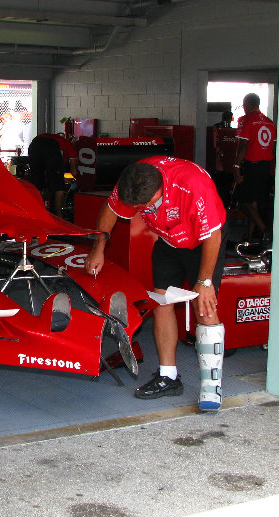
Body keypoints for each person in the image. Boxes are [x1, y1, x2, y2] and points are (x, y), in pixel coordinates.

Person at [84, 157, 227, 411]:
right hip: (169, 241)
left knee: (203, 306)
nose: (140, 209)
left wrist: (204, 281)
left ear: (162, 189)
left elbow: (213, 235)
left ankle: (211, 385)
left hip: (204, 242)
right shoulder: (134, 177)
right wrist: (99, 248)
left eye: (145, 205)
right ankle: (168, 377)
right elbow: (111, 210)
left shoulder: (193, 185)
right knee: (162, 301)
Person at [233, 93, 276, 243]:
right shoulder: (270, 123)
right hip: (266, 167)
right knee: (254, 202)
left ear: (246, 105)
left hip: (251, 166)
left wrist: (236, 167)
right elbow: (274, 148)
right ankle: (250, 235)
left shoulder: (246, 120)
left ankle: (264, 230)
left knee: (243, 201)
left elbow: (243, 144)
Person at [27, 133, 79, 217]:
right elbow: (74, 172)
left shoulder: (58, 141)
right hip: (50, 146)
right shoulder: (69, 146)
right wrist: (76, 183)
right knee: (59, 186)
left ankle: (37, 213)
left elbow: (50, 171)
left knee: (37, 183)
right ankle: (59, 216)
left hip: (34, 145)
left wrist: (62, 178)